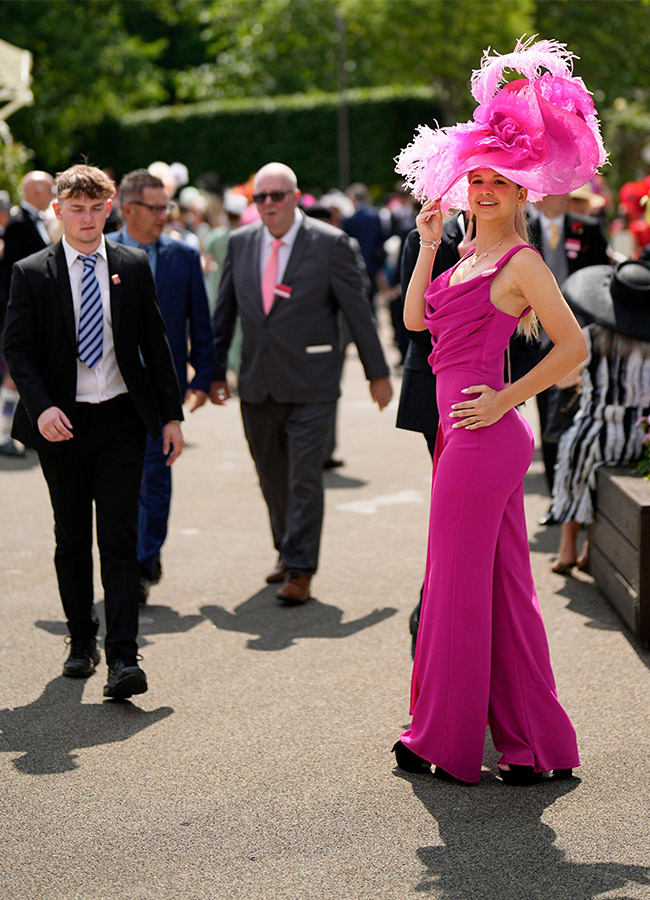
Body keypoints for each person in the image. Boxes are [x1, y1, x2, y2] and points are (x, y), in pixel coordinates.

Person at [392, 36, 607, 785]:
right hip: (463, 434)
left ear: (521, 192)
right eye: (475, 179)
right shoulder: (463, 257)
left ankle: (440, 740)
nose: (483, 190)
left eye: (498, 181)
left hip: (486, 435)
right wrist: (425, 246)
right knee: (505, 591)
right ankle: (535, 744)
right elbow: (418, 322)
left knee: (451, 582)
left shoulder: (520, 262)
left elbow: (573, 346)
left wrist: (510, 397)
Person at [4, 164, 184, 699]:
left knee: (120, 539)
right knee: (72, 538)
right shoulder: (32, 271)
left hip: (120, 419)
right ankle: (82, 640)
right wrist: (39, 408)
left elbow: (156, 342)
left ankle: (124, 657)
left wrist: (170, 416)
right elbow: (19, 349)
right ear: (58, 211)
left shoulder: (132, 263)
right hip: (61, 423)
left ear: (110, 209)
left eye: (95, 208)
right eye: (75, 209)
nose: (86, 219)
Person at [210, 162, 392, 604]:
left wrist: (378, 373)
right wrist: (213, 373)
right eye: (261, 197)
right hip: (256, 382)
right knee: (271, 476)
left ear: (295, 197)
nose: (269, 204)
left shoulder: (331, 244)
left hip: (313, 381)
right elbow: (224, 314)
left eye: (277, 195)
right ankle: (285, 550)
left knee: (304, 477)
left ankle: (300, 569)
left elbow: (358, 312)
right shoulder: (239, 243)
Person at [108, 169, 213, 603]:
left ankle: (142, 563)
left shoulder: (183, 255)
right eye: (154, 208)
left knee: (154, 480)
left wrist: (203, 375)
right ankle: (130, 560)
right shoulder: (100, 250)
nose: (163, 215)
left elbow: (199, 322)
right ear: (127, 209)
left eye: (166, 206)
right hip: (109, 391)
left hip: (160, 390)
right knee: (117, 485)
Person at [550, 260, 650, 572]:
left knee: (571, 467)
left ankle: (567, 549)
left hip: (594, 435)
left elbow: (562, 381)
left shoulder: (590, 337)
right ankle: (593, 550)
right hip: (640, 438)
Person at [528, 192, 611, 523]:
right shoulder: (523, 228)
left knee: (576, 412)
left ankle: (579, 496)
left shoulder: (586, 228)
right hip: (533, 333)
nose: (561, 197)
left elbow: (602, 276)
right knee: (547, 413)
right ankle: (555, 498)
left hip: (577, 333)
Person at [1, 171, 55, 457]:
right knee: (15, 372)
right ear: (34, 192)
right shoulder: (19, 223)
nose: (53, 194)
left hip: (38, 313)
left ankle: (27, 430)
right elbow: (12, 275)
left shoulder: (39, 221)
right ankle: (2, 432)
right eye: (49, 189)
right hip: (21, 314)